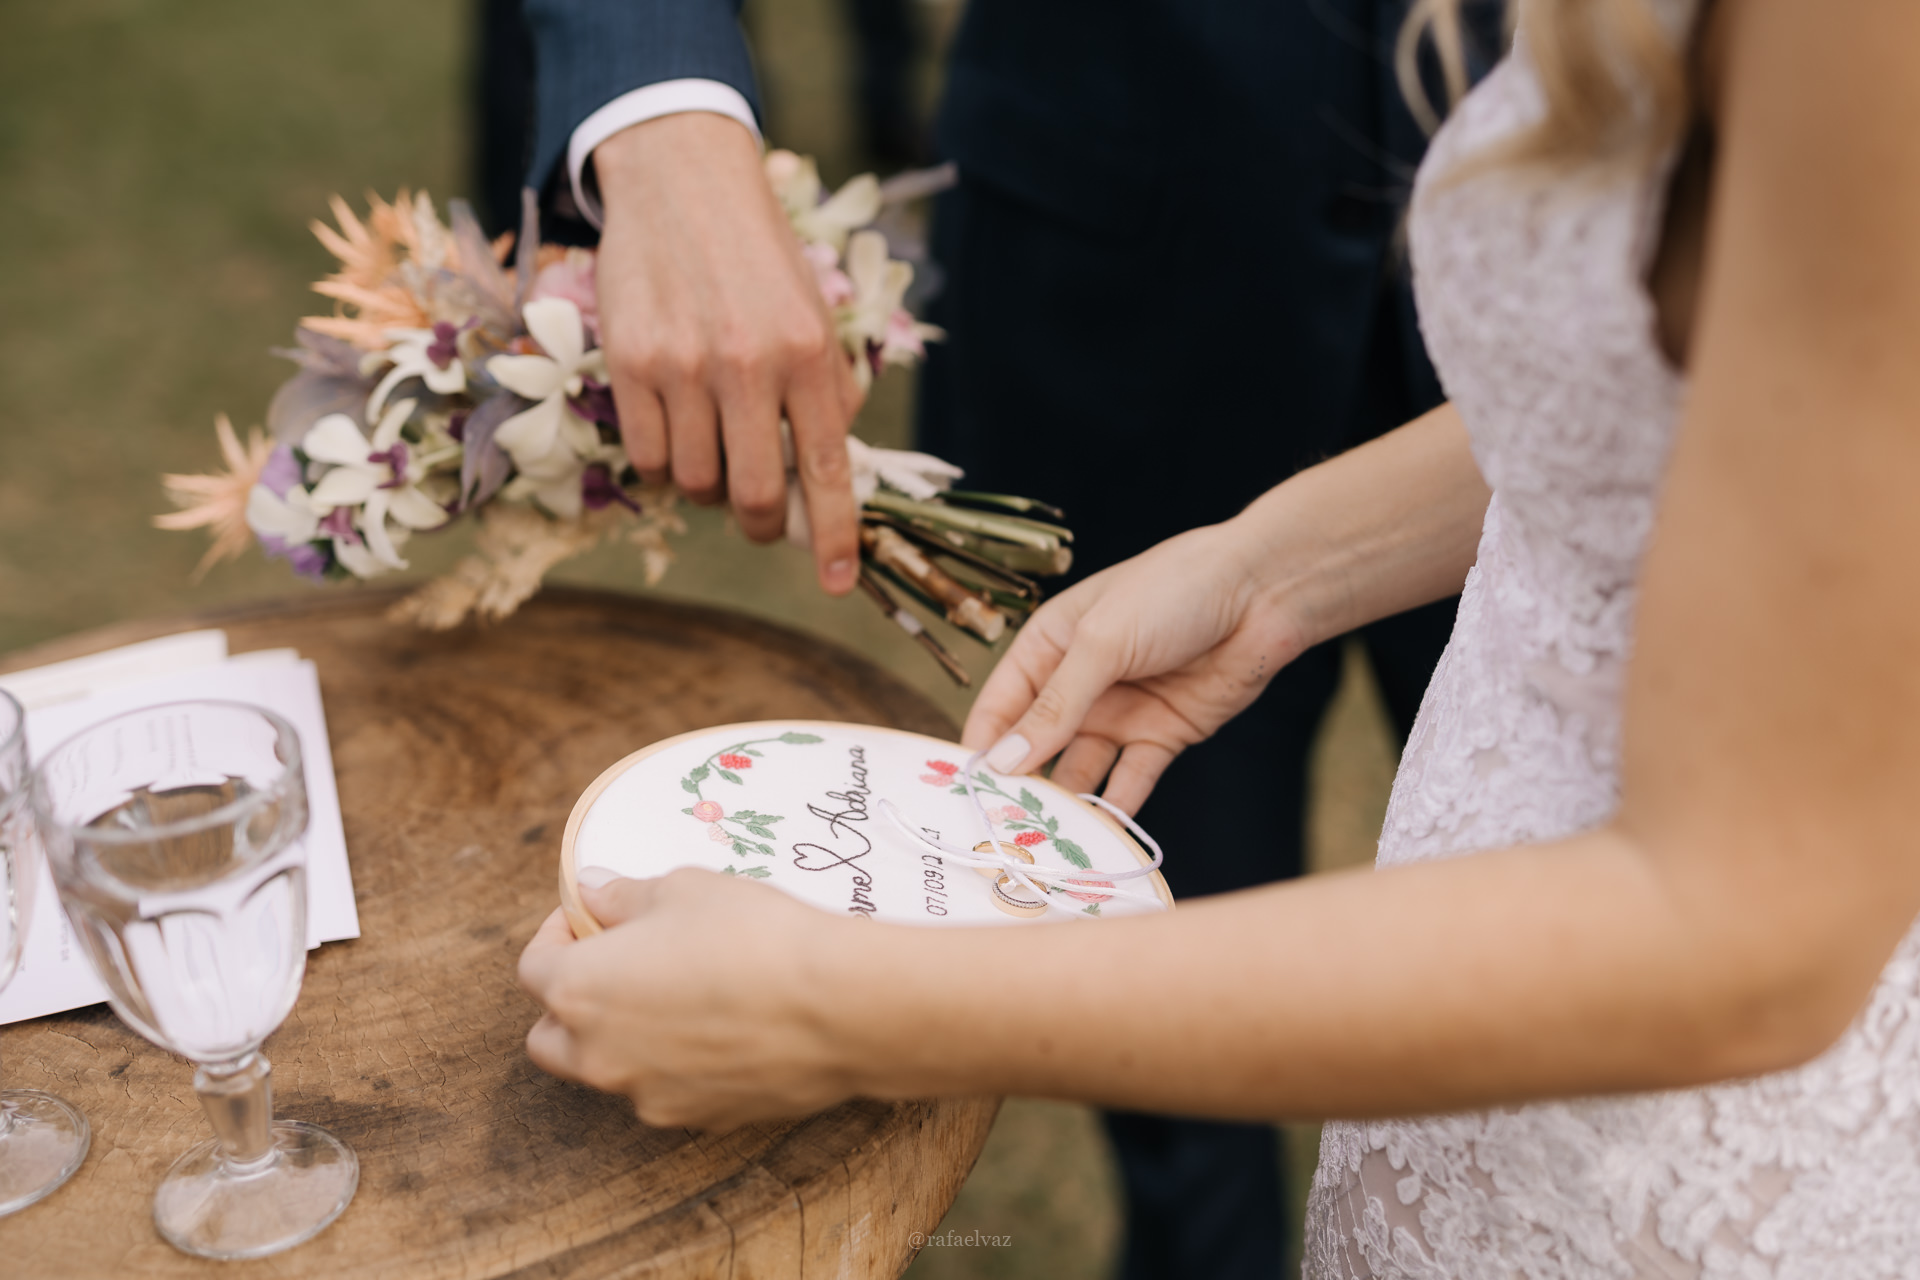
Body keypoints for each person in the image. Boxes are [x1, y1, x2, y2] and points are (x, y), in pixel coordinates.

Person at [519, 0, 1920, 1273]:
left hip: (1695, 1170)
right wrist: (1273, 569)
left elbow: (1750, 929)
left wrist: (843, 1003)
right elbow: (1680, 402)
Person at [520, 3, 1496, 1268]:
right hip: (1120, 271)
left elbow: (1683, 931)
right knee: (1147, 854)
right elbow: (1628, 437)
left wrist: (853, 1005)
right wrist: (1265, 578)